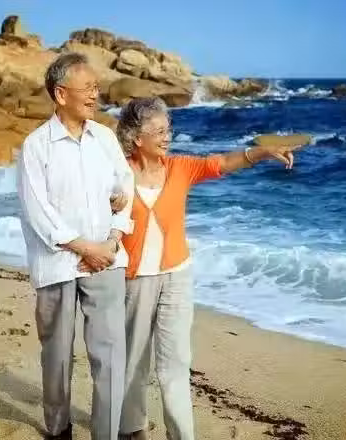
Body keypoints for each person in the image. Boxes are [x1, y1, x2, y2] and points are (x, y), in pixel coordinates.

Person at [88, 97, 306, 440]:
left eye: (168, 129)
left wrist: (263, 152)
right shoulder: (118, 174)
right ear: (136, 138)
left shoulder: (180, 167)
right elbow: (90, 209)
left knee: (175, 362)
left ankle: (181, 435)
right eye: (159, 131)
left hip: (177, 275)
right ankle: (133, 427)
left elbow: (222, 163)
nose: (167, 137)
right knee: (133, 361)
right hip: (134, 280)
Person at [16, 53, 134, 440]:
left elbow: (126, 188)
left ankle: (106, 433)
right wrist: (86, 248)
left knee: (111, 356)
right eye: (88, 88)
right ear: (61, 94)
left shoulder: (105, 137)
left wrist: (112, 241)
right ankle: (58, 428)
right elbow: (38, 211)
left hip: (107, 259)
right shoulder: (36, 146)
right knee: (56, 357)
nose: (95, 95)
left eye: (97, 88)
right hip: (57, 264)